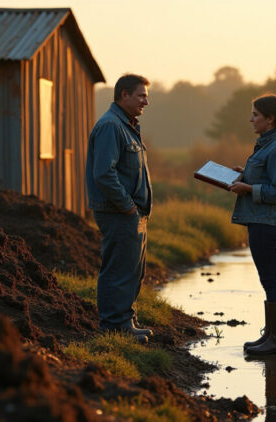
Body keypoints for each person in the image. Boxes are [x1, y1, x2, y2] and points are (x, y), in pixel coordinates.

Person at [228, 93, 276, 355]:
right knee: (269, 278)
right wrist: (245, 175)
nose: (251, 120)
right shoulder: (269, 146)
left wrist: (248, 188)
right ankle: (270, 336)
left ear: (270, 119)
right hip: (261, 220)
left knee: (271, 279)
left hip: (267, 222)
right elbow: (267, 179)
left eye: (255, 115)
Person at [85, 74, 153, 343]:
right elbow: (104, 173)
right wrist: (127, 206)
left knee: (132, 270)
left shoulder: (127, 125)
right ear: (124, 95)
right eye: (141, 96)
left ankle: (126, 320)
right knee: (119, 270)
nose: (146, 102)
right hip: (118, 212)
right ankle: (115, 326)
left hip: (132, 213)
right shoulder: (111, 126)